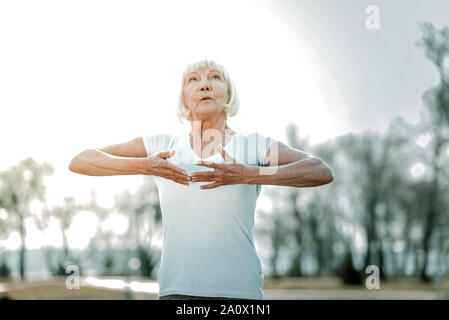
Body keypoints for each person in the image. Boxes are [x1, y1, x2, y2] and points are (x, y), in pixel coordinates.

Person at [69, 59, 334, 300]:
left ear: (228, 94)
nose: (204, 84)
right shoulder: (163, 144)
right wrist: (146, 166)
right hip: (176, 293)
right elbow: (81, 161)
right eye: (193, 80)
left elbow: (320, 170)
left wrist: (247, 174)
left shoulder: (253, 146)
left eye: (215, 78)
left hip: (240, 295)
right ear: (184, 99)